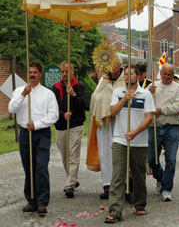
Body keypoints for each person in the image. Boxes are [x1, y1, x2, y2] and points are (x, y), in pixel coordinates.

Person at [105, 65, 155, 223]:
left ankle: (140, 204)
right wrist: (125, 100)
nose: (128, 77)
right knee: (118, 175)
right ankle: (114, 211)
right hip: (119, 139)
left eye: (131, 74)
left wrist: (135, 132)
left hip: (138, 141)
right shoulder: (117, 93)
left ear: (138, 76)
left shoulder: (146, 94)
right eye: (125, 74)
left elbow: (149, 118)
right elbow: (112, 112)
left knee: (138, 175)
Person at [9, 61, 59, 214]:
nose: (32, 75)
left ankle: (42, 201)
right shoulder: (19, 91)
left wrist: (37, 124)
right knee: (28, 167)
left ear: (40, 74)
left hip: (42, 134)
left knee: (41, 167)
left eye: (35, 72)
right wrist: (23, 95)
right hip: (25, 134)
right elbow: (11, 108)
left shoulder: (48, 94)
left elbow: (54, 116)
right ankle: (31, 200)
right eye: (30, 72)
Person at [86, 58, 124, 200]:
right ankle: (107, 185)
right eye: (110, 65)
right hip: (104, 122)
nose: (112, 67)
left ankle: (123, 184)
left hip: (120, 121)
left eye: (115, 64)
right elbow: (95, 97)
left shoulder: (124, 79)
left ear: (120, 65)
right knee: (105, 152)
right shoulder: (103, 81)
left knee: (121, 152)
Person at [147, 64, 179, 202]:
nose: (167, 77)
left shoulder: (178, 88)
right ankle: (161, 177)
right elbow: (143, 103)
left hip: (172, 126)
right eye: (164, 74)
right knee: (151, 158)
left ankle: (167, 189)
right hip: (154, 126)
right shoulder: (152, 86)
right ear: (160, 73)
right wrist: (148, 93)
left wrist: (161, 109)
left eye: (169, 74)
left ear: (173, 74)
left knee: (171, 159)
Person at [52, 61, 86, 198]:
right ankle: (73, 178)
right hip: (61, 125)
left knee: (73, 154)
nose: (65, 74)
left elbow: (83, 105)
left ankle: (69, 185)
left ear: (73, 71)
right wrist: (62, 115)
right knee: (65, 155)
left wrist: (73, 95)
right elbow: (53, 109)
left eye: (67, 71)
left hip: (76, 125)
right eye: (62, 72)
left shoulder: (80, 86)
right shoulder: (56, 88)